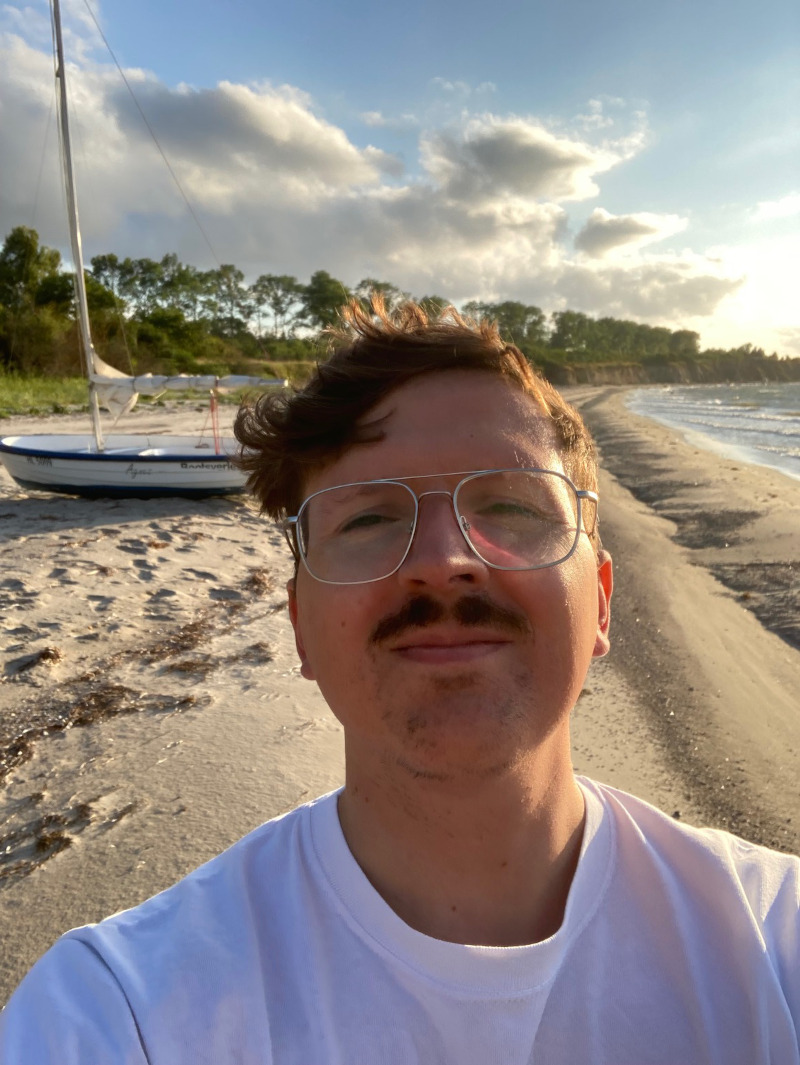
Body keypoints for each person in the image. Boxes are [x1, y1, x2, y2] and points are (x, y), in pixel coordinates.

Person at [1, 299, 798, 1063]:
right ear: (300, 623)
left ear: (599, 600)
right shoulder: (121, 1011)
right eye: (369, 518)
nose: (445, 562)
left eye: (512, 507)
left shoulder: (773, 936)